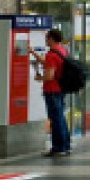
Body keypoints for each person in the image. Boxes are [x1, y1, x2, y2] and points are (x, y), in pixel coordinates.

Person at [32, 29, 71, 157]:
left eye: (47, 38)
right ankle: (65, 145)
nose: (46, 41)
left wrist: (39, 78)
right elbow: (49, 65)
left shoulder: (51, 55)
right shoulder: (62, 51)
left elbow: (49, 75)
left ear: (52, 39)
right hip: (60, 89)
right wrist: (34, 53)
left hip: (52, 90)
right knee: (60, 117)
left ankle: (58, 148)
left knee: (56, 119)